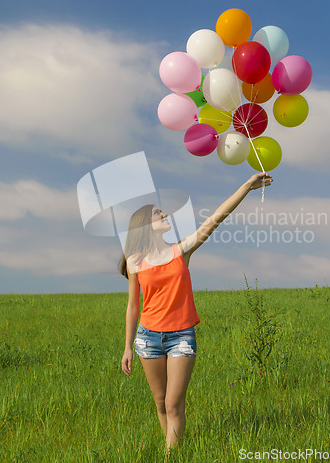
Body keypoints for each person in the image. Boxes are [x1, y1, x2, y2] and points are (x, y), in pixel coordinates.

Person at [120, 172, 273, 451]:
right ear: (144, 225)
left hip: (181, 336)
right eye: (157, 213)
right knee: (160, 403)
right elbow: (133, 306)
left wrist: (246, 186)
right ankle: (175, 450)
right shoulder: (135, 261)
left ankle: (170, 457)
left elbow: (216, 218)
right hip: (148, 339)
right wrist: (128, 346)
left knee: (173, 403)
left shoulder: (182, 251)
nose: (164, 214)